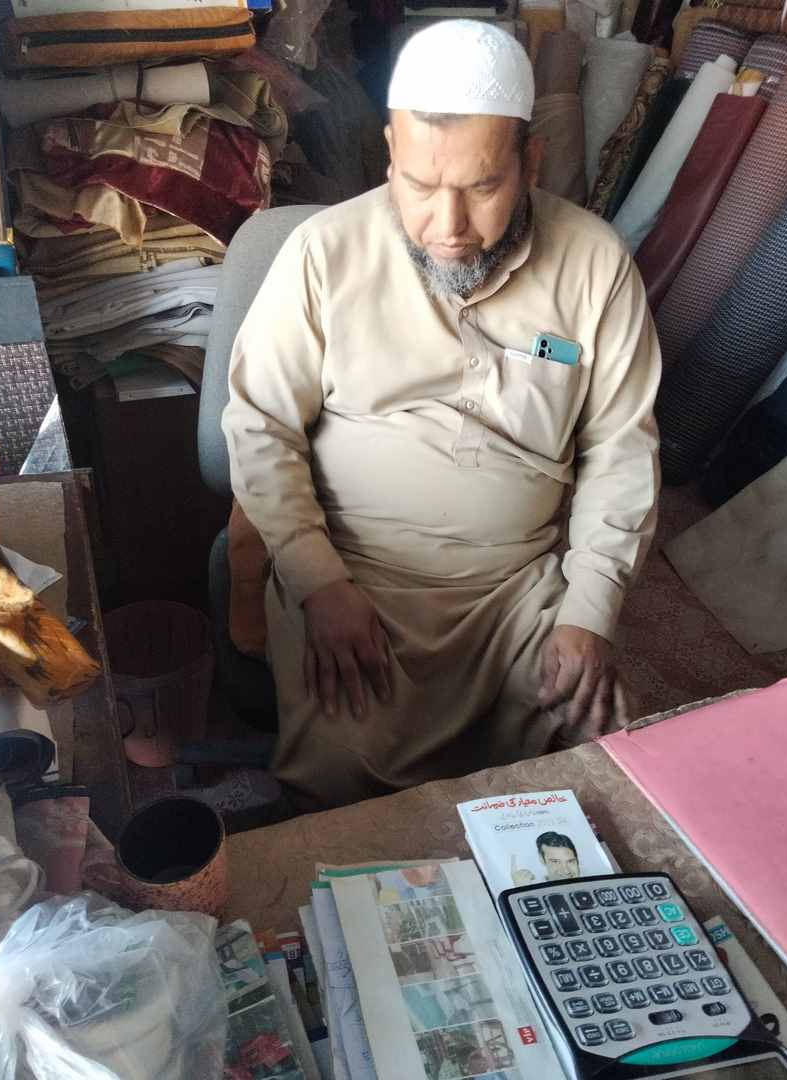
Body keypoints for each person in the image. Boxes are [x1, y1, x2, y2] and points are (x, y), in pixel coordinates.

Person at [223, 20, 661, 812]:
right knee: (344, 790)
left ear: (531, 162)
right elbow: (261, 427)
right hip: (356, 576)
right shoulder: (324, 254)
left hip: (517, 591)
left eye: (483, 187)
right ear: (391, 154)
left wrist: (589, 610)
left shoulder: (596, 265)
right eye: (421, 186)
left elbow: (622, 449)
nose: (449, 227)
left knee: (597, 767)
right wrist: (319, 584)